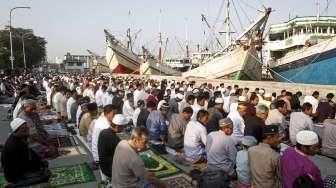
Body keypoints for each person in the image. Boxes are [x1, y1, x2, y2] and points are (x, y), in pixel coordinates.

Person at [1, 118, 51, 186]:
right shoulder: (14, 145)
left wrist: (41, 161)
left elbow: (31, 153)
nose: (27, 130)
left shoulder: (20, 138)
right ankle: (14, 185)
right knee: (45, 176)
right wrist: (40, 166)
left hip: (21, 169)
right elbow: (25, 164)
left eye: (27, 128)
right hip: (16, 176)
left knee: (43, 165)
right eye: (24, 129)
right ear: (17, 130)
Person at [98, 114, 128, 179]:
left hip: (104, 165)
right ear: (117, 126)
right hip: (110, 169)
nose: (123, 129)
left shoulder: (104, 131)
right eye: (123, 127)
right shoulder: (113, 139)